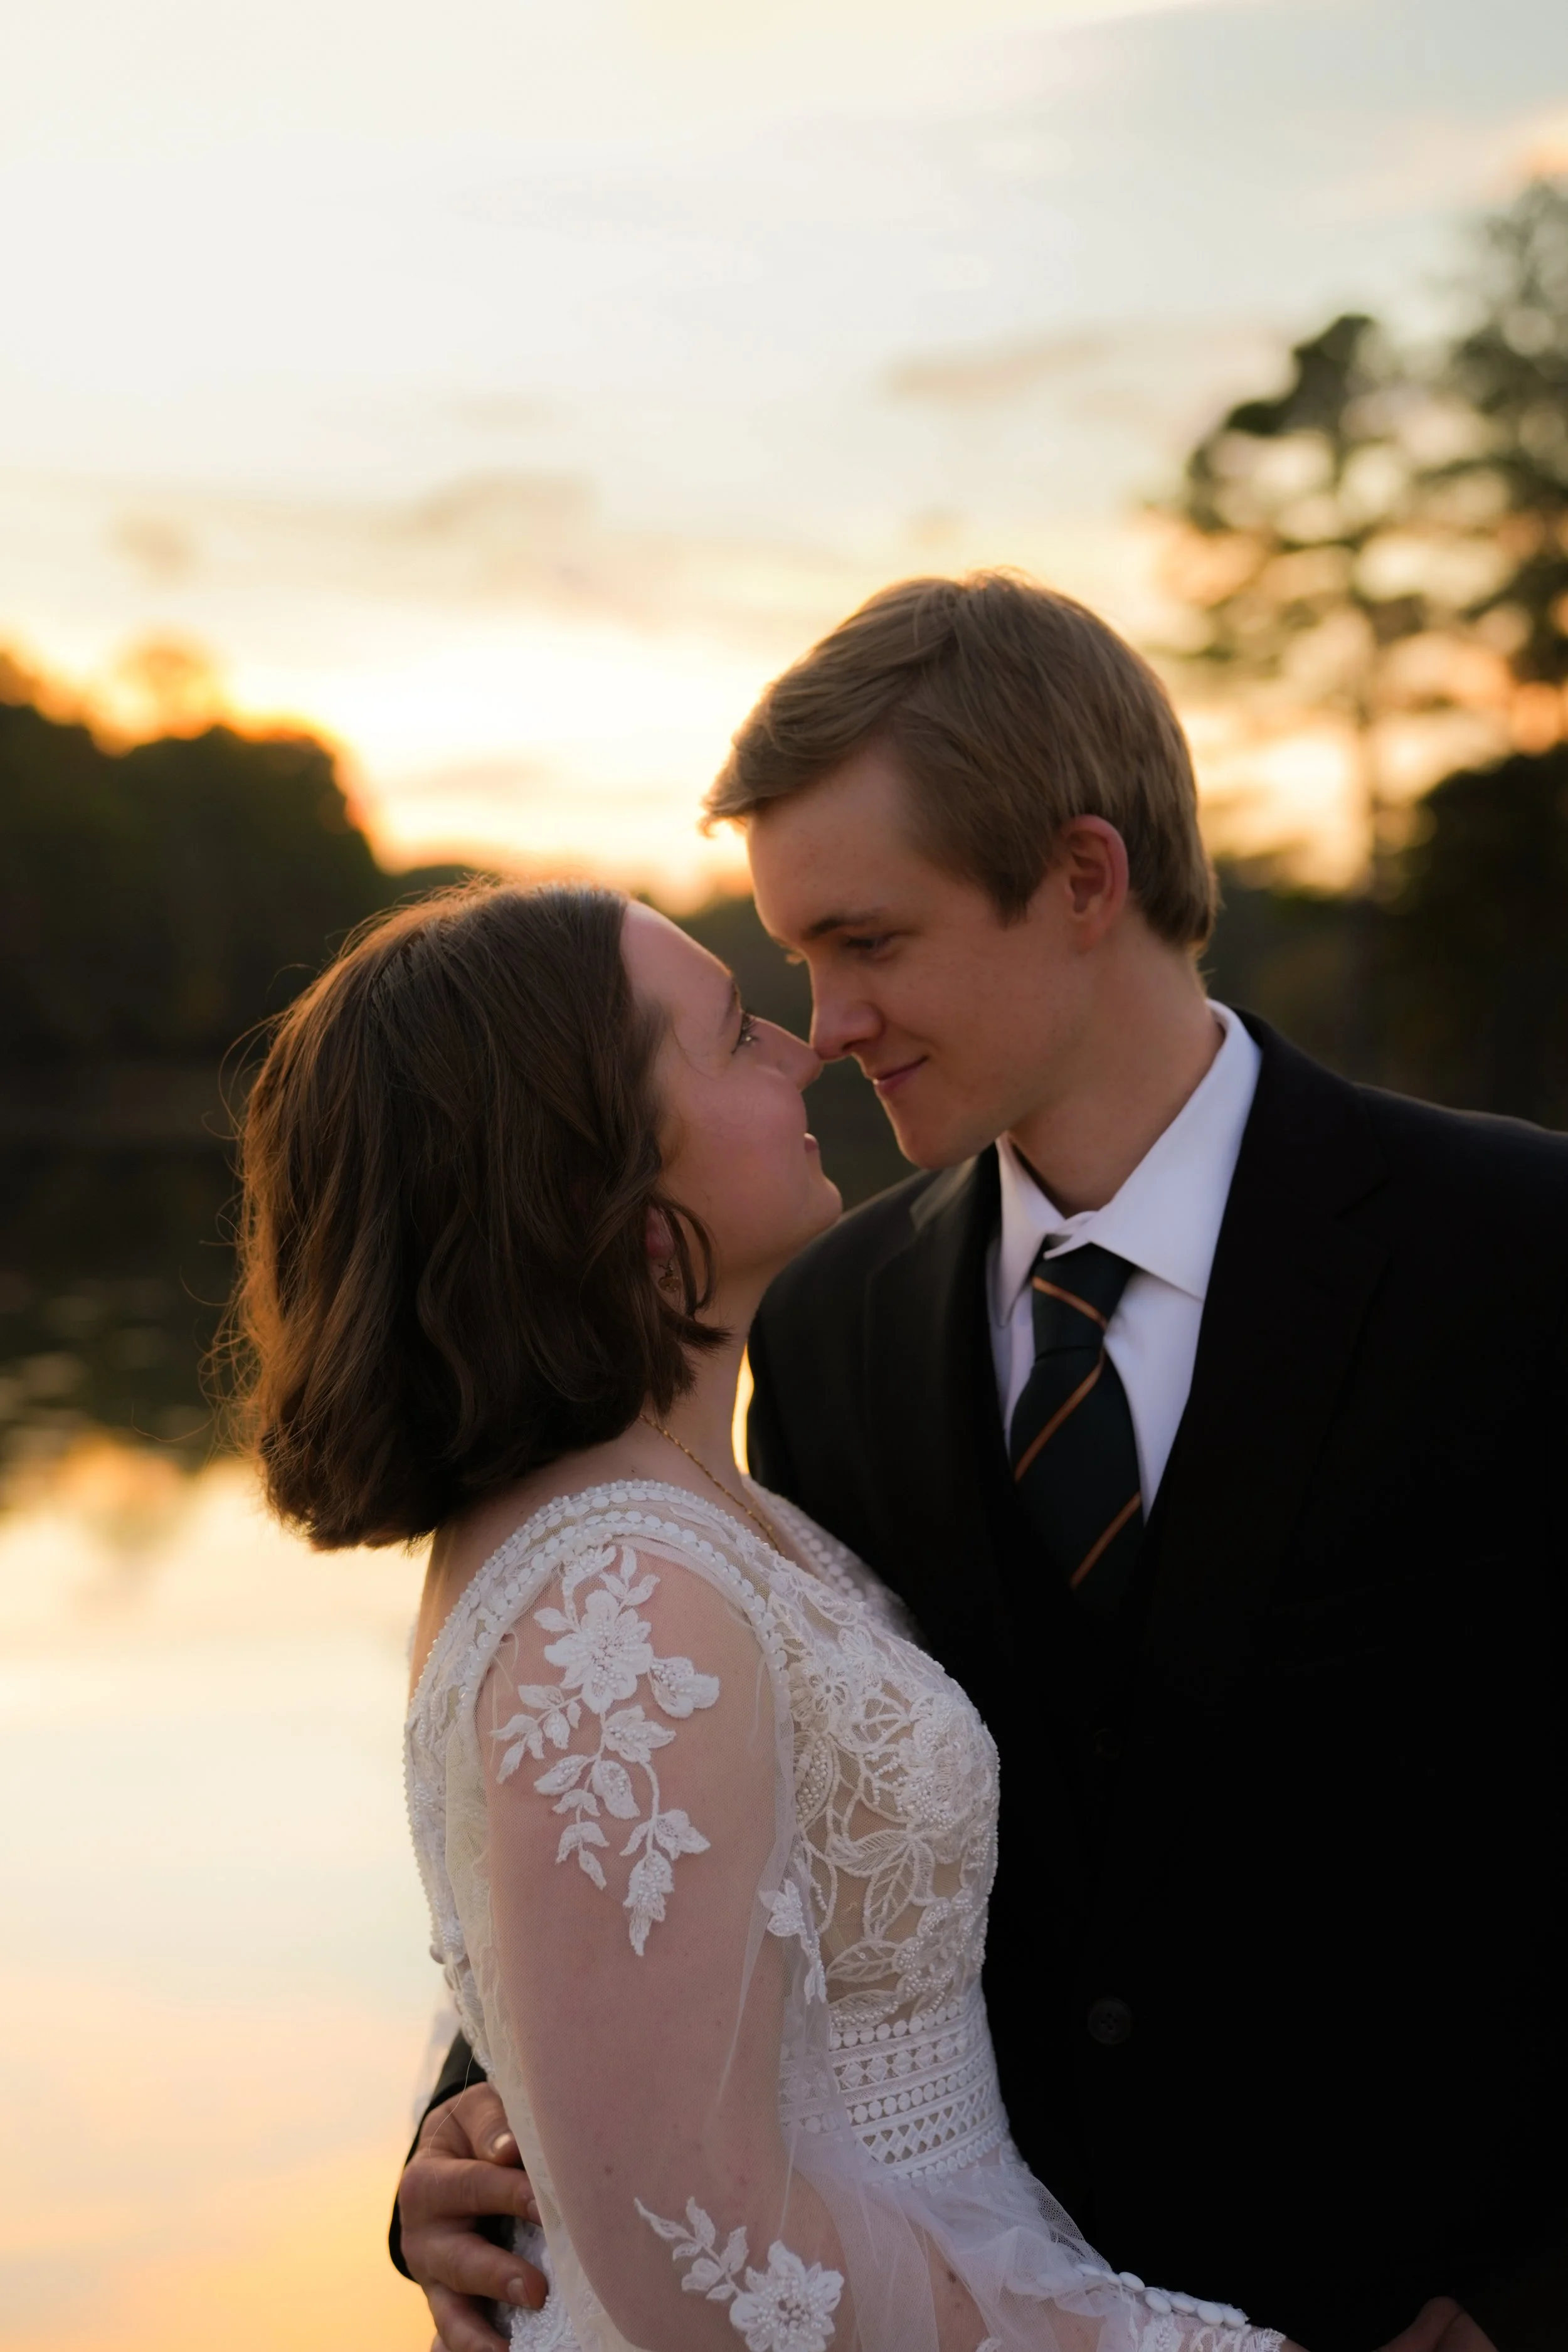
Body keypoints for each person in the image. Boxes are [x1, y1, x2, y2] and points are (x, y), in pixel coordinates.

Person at [393, 576, 1567, 2352]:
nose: (828, 1022)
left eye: (868, 941)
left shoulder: (1518, 1251)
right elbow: (703, 1776)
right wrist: (473, 2124)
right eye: (793, 963)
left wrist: (1524, 2299)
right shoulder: (837, 1311)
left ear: (1082, 879)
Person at [236, 876, 1374, 2352]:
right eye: (732, 1037)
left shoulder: (710, 1514)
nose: (803, 1049)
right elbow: (695, 2251)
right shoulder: (615, 1594)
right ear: (605, 1184)